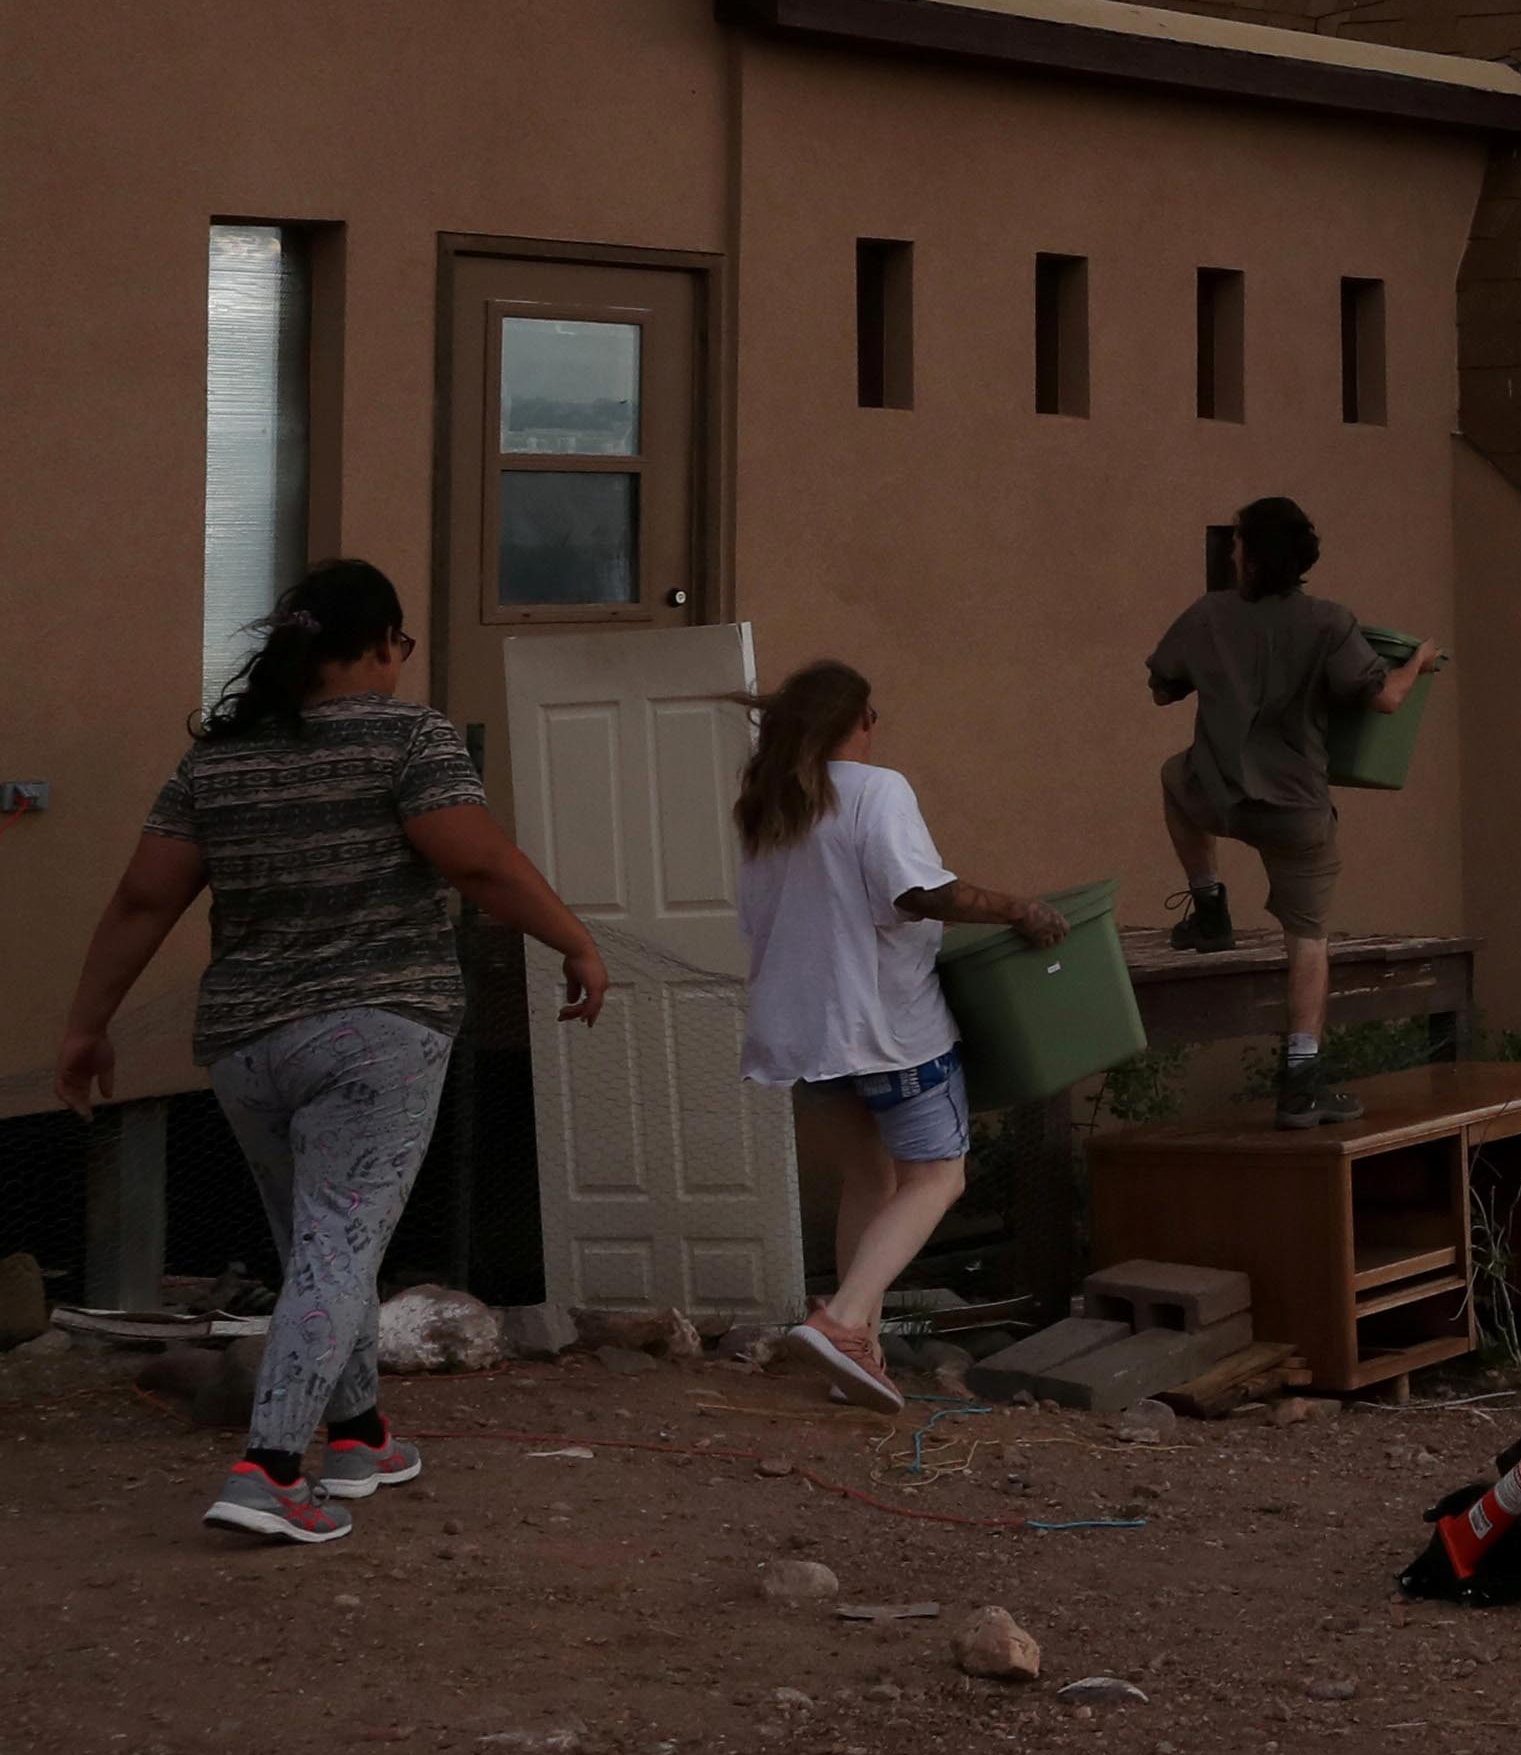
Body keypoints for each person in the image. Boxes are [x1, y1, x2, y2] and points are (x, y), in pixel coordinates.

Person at [52, 560, 614, 1546]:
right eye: (399, 645)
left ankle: (358, 1437)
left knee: (322, 1245)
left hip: (244, 1045)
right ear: (383, 643)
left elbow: (145, 896)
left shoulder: (218, 758)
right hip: (379, 1029)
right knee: (339, 1245)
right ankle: (269, 1467)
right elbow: (475, 857)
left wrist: (86, 1024)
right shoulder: (410, 735)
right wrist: (572, 937)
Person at [732, 660, 1068, 1410]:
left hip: (807, 1035)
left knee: (868, 1182)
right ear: (859, 723)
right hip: (889, 1029)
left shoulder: (767, 805)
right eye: (872, 715)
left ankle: (856, 1359)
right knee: (938, 1178)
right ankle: (845, 1321)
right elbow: (919, 891)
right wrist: (1019, 908)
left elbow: (760, 923)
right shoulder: (876, 791)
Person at [1148, 495, 1433, 1127]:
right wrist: (1418, 663)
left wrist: (1217, 675)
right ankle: (1301, 1083)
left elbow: (1163, 688)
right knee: (1307, 938)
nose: (1231, 549)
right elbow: (1385, 700)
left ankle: (1210, 903)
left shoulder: (1209, 614)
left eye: (1238, 541)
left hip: (1220, 794)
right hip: (1298, 811)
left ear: (1249, 555)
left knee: (1172, 777)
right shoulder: (1330, 623)